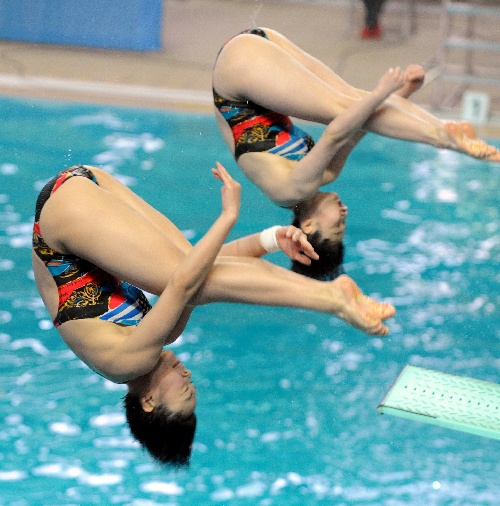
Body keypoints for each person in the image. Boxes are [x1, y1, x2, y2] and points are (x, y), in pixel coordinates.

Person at [32, 164, 396, 466]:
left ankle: (332, 297)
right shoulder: (158, 337)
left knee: (183, 278)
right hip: (82, 186)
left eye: (185, 390)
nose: (188, 376)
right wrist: (268, 240)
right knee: (191, 269)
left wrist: (229, 216)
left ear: (149, 402)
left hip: (61, 216)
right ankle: (331, 296)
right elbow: (201, 269)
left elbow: (183, 284)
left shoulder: (125, 363)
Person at [213, 28, 500, 278]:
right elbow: (359, 127)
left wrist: (379, 94)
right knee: (351, 100)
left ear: (309, 225)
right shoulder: (327, 174)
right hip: (257, 49)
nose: (344, 213)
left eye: (337, 226)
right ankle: (445, 131)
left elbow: (339, 130)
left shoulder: (291, 190)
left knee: (345, 107)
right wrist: (404, 93)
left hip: (237, 74)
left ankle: (446, 137)